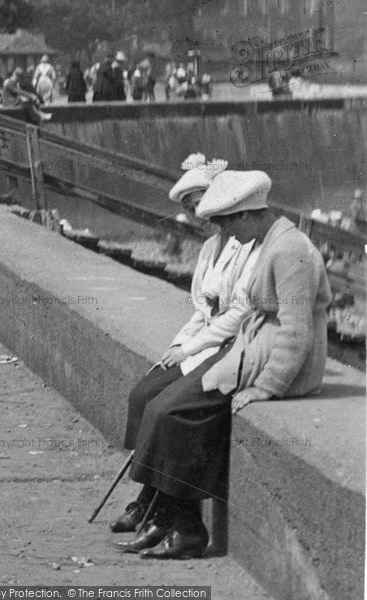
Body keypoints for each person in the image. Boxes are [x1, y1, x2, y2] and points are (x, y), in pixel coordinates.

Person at [113, 170, 332, 559]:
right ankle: (174, 519)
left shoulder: (290, 250)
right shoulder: (271, 241)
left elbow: (296, 332)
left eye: (229, 223)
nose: (228, 235)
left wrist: (268, 386)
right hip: (252, 346)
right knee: (163, 407)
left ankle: (184, 528)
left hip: (273, 359)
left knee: (173, 412)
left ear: (247, 216)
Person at [110, 161, 266, 553]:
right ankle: (153, 498)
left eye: (204, 206)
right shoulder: (211, 247)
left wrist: (192, 348)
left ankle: (173, 516)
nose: (200, 216)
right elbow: (202, 307)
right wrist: (177, 346)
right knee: (142, 395)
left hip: (229, 343)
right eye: (194, 208)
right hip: (205, 341)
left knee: (168, 409)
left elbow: (238, 312)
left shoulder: (247, 243)